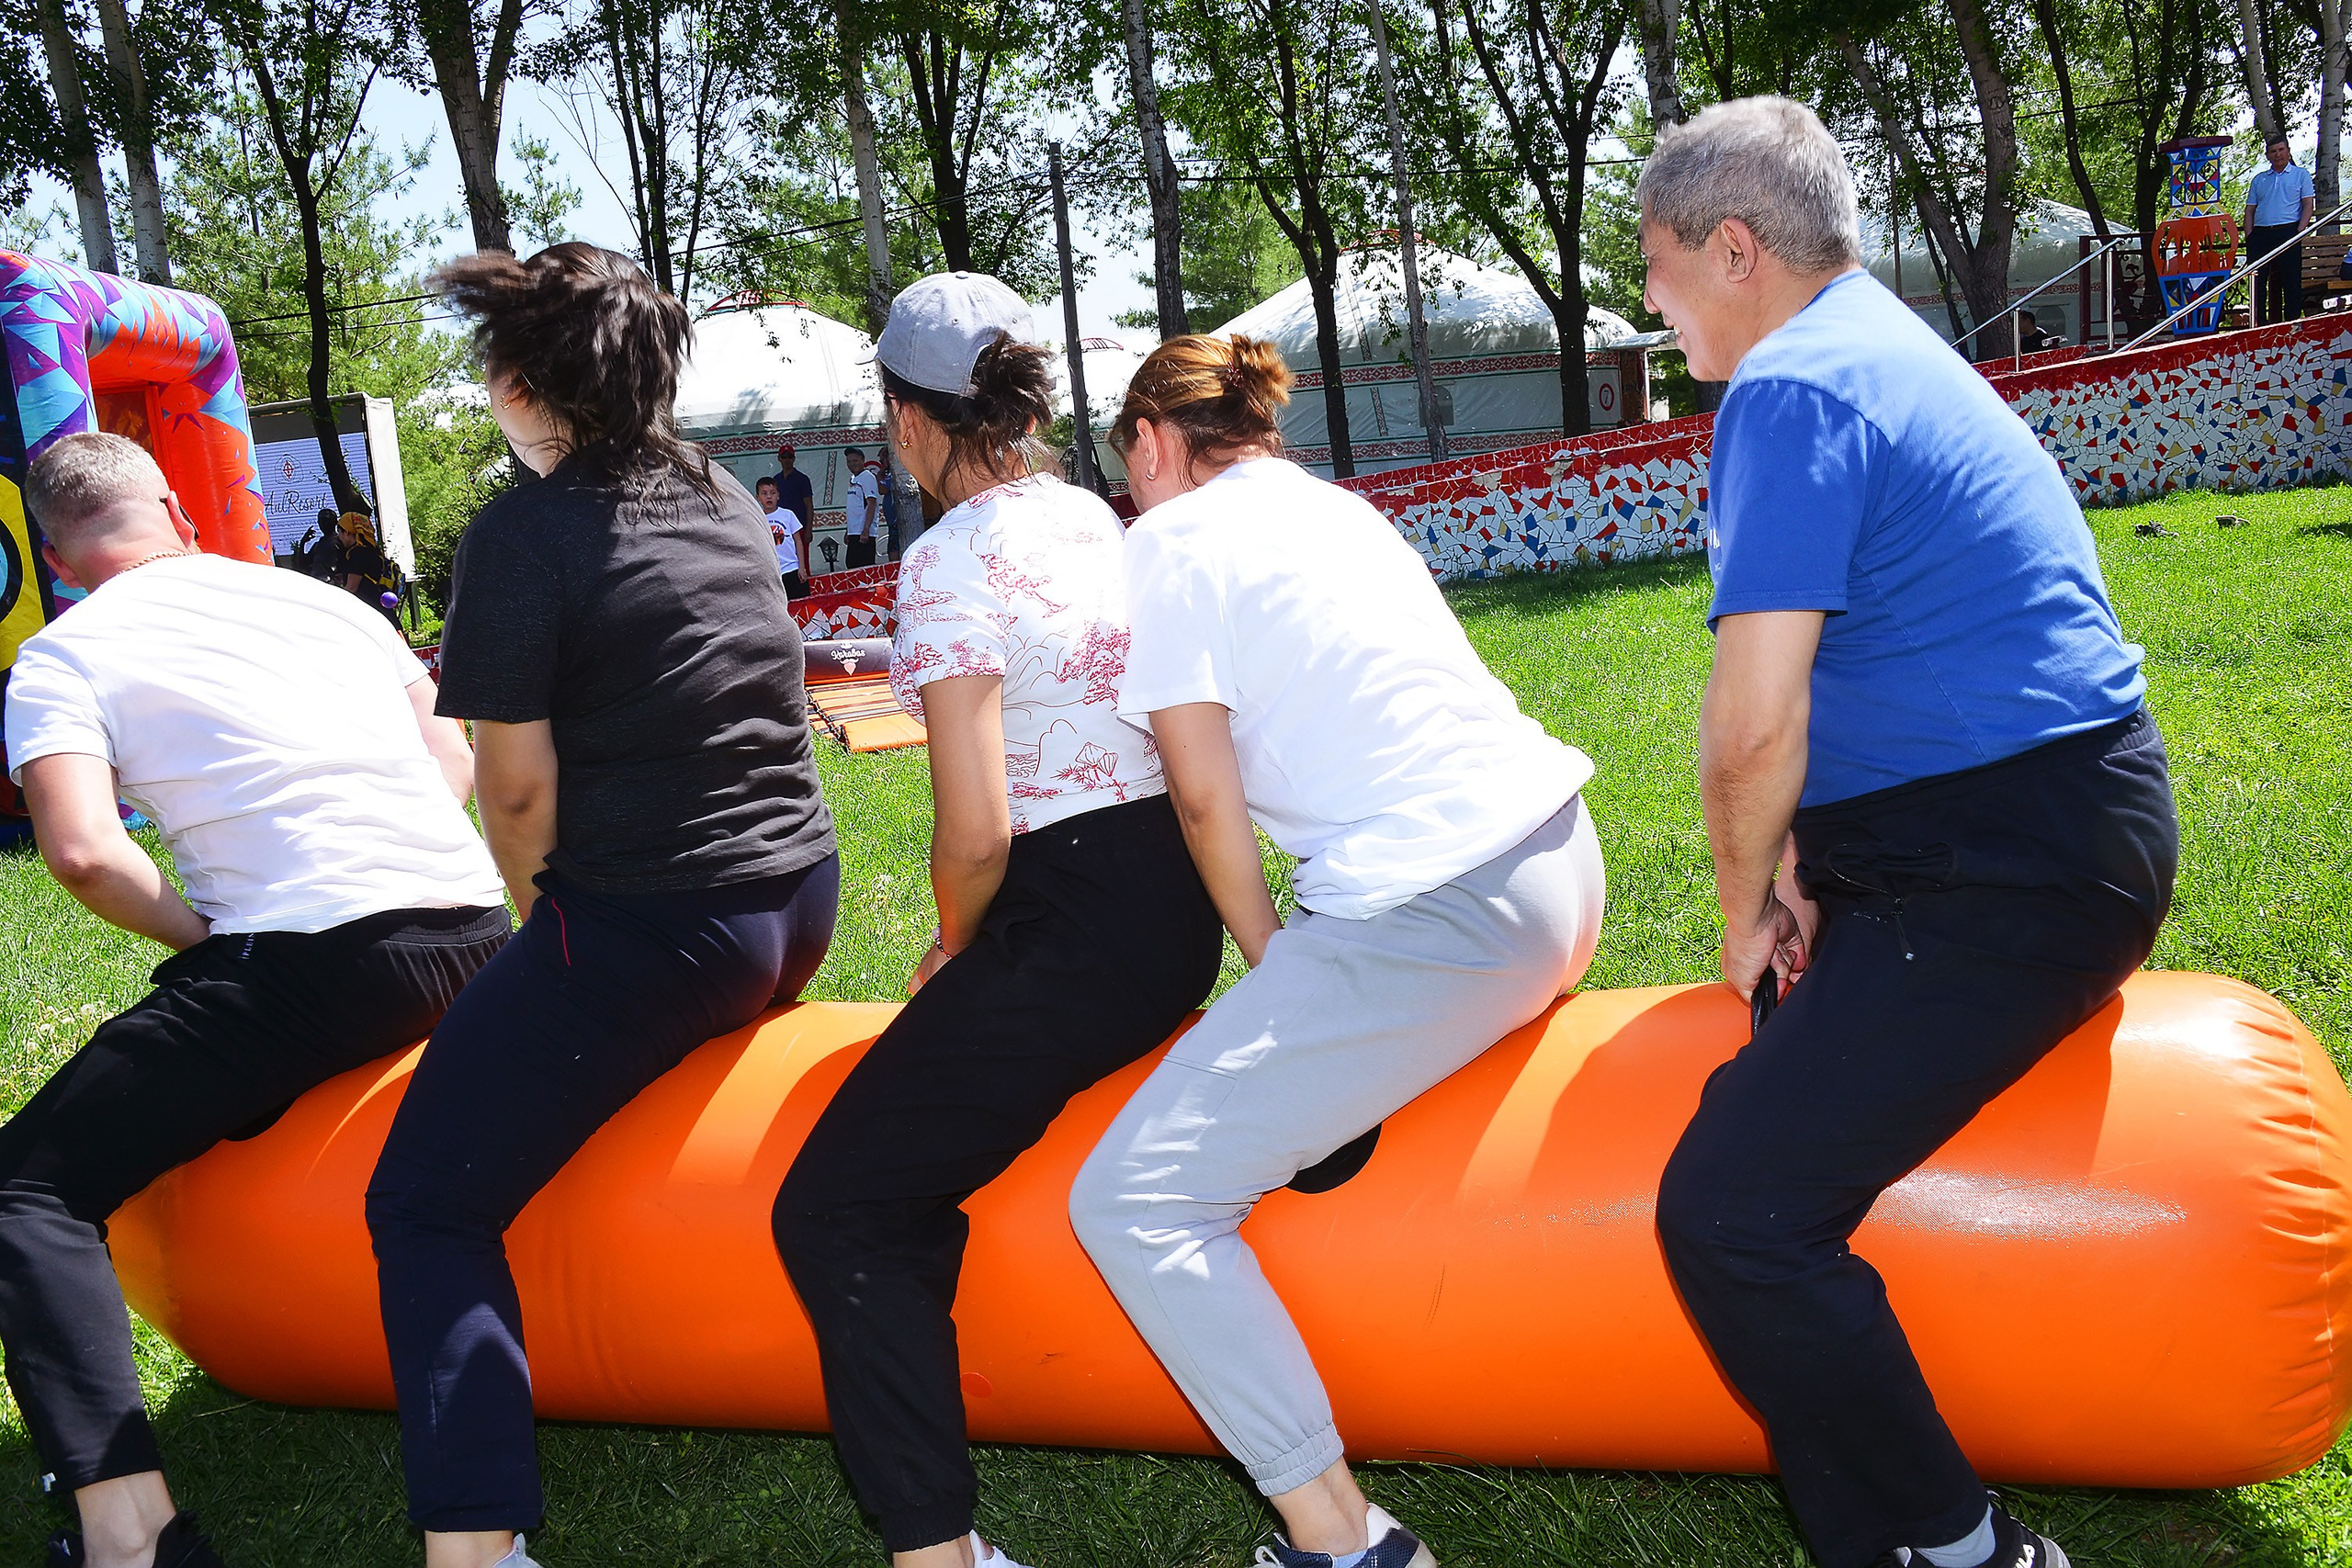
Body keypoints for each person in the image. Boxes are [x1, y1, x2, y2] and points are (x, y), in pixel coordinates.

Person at [1634, 98, 2176, 1568]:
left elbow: (1753, 720)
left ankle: (1966, 1547)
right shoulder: (1871, 341)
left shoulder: (1795, 387)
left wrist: (1747, 906)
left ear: (1733, 248)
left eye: (1659, 266)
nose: (1648, 300)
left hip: (2014, 854)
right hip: (2008, 829)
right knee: (1767, 1148)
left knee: (1735, 1210)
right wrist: (1816, 863)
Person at [1068, 333, 1606, 1568]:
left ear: (1151, 444)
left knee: (1134, 1198)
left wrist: (1270, 959)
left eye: (1126, 463)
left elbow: (1204, 801)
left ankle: (1345, 1538)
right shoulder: (1336, 506)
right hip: (1561, 862)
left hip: (1449, 910)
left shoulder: (1167, 542)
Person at [364, 243, 840, 1568]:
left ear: (520, 382)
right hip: (797, 896)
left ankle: (473, 1544)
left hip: (666, 923)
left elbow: (515, 797)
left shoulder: (524, 533)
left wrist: (542, 939)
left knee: (425, 1203)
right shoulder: (721, 488)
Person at [0, 432, 510, 1568]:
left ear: (55, 555)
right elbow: (453, 763)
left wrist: (198, 934)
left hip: (315, 963)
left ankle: (127, 1536)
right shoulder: (334, 608)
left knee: (26, 1188)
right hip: (479, 938)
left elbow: (81, 852)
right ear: (177, 511)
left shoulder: (64, 653)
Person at [773, 272, 1219, 1568]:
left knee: (838, 1207)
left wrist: (955, 942)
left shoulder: (943, 560)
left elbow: (974, 829)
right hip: (1170, 907)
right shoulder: (1091, 509)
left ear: (907, 424)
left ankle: (940, 1552)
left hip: (1073, 926)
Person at [2245, 133, 2316, 326]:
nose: (2278, 155)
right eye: (2273, 152)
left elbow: (2308, 205)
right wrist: (2249, 235)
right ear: (2267, 155)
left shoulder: (2301, 175)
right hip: (2261, 233)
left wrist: (2299, 231)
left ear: (2288, 151)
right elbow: (2250, 209)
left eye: (2281, 150)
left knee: (2291, 280)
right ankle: (2258, 324)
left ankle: (2291, 323)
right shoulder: (2259, 179)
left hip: (2288, 231)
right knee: (2258, 281)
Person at [337, 512, 401, 628]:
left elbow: (352, 588)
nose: (339, 538)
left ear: (346, 532)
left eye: (340, 533)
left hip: (373, 618)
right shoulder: (373, 551)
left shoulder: (358, 553)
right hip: (385, 614)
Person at [758, 474, 810, 598]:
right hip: (773, 573)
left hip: (792, 568)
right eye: (764, 493)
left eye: (773, 493)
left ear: (778, 495)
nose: (769, 496)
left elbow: (798, 541)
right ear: (758, 497)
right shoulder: (757, 518)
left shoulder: (788, 515)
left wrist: (802, 568)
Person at [842, 445, 881, 570]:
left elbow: (871, 504)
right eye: (849, 461)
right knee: (852, 565)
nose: (852, 464)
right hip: (854, 532)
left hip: (864, 534)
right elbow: (854, 507)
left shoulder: (867, 477)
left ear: (862, 461)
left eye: (855, 461)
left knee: (863, 568)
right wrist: (848, 531)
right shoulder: (853, 479)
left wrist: (866, 530)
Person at [767, 442, 816, 536]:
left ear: (794, 459)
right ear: (779, 459)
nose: (787, 460)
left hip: (800, 526)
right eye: (784, 457)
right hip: (781, 526)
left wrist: (809, 529)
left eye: (790, 457)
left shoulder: (802, 479)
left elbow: (809, 505)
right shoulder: (775, 480)